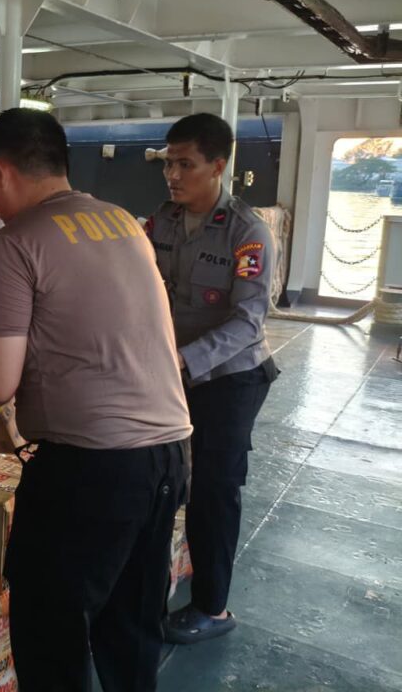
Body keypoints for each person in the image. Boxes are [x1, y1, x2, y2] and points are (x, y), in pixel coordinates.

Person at [0, 109, 192, 692]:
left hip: (90, 470)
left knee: (49, 631)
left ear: (1, 173)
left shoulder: (15, 243)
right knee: (130, 627)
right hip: (170, 455)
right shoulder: (122, 221)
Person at [146, 113, 278, 644]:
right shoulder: (162, 222)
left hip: (230, 377)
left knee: (214, 490)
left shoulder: (248, 233)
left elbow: (248, 323)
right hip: (173, 371)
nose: (172, 175)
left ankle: (212, 607)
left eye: (186, 164)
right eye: (168, 164)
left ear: (218, 166)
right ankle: (155, 582)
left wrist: (182, 361)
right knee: (163, 479)